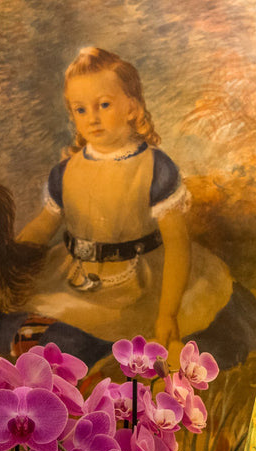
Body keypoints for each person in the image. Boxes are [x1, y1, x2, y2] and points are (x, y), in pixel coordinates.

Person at [18, 46, 234, 351]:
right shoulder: (64, 172)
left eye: (103, 105)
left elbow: (176, 243)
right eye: (81, 110)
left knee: (130, 346)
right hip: (74, 275)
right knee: (26, 336)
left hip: (139, 280)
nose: (92, 118)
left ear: (132, 108)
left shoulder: (155, 168)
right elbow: (42, 227)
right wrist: (6, 260)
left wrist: (168, 313)